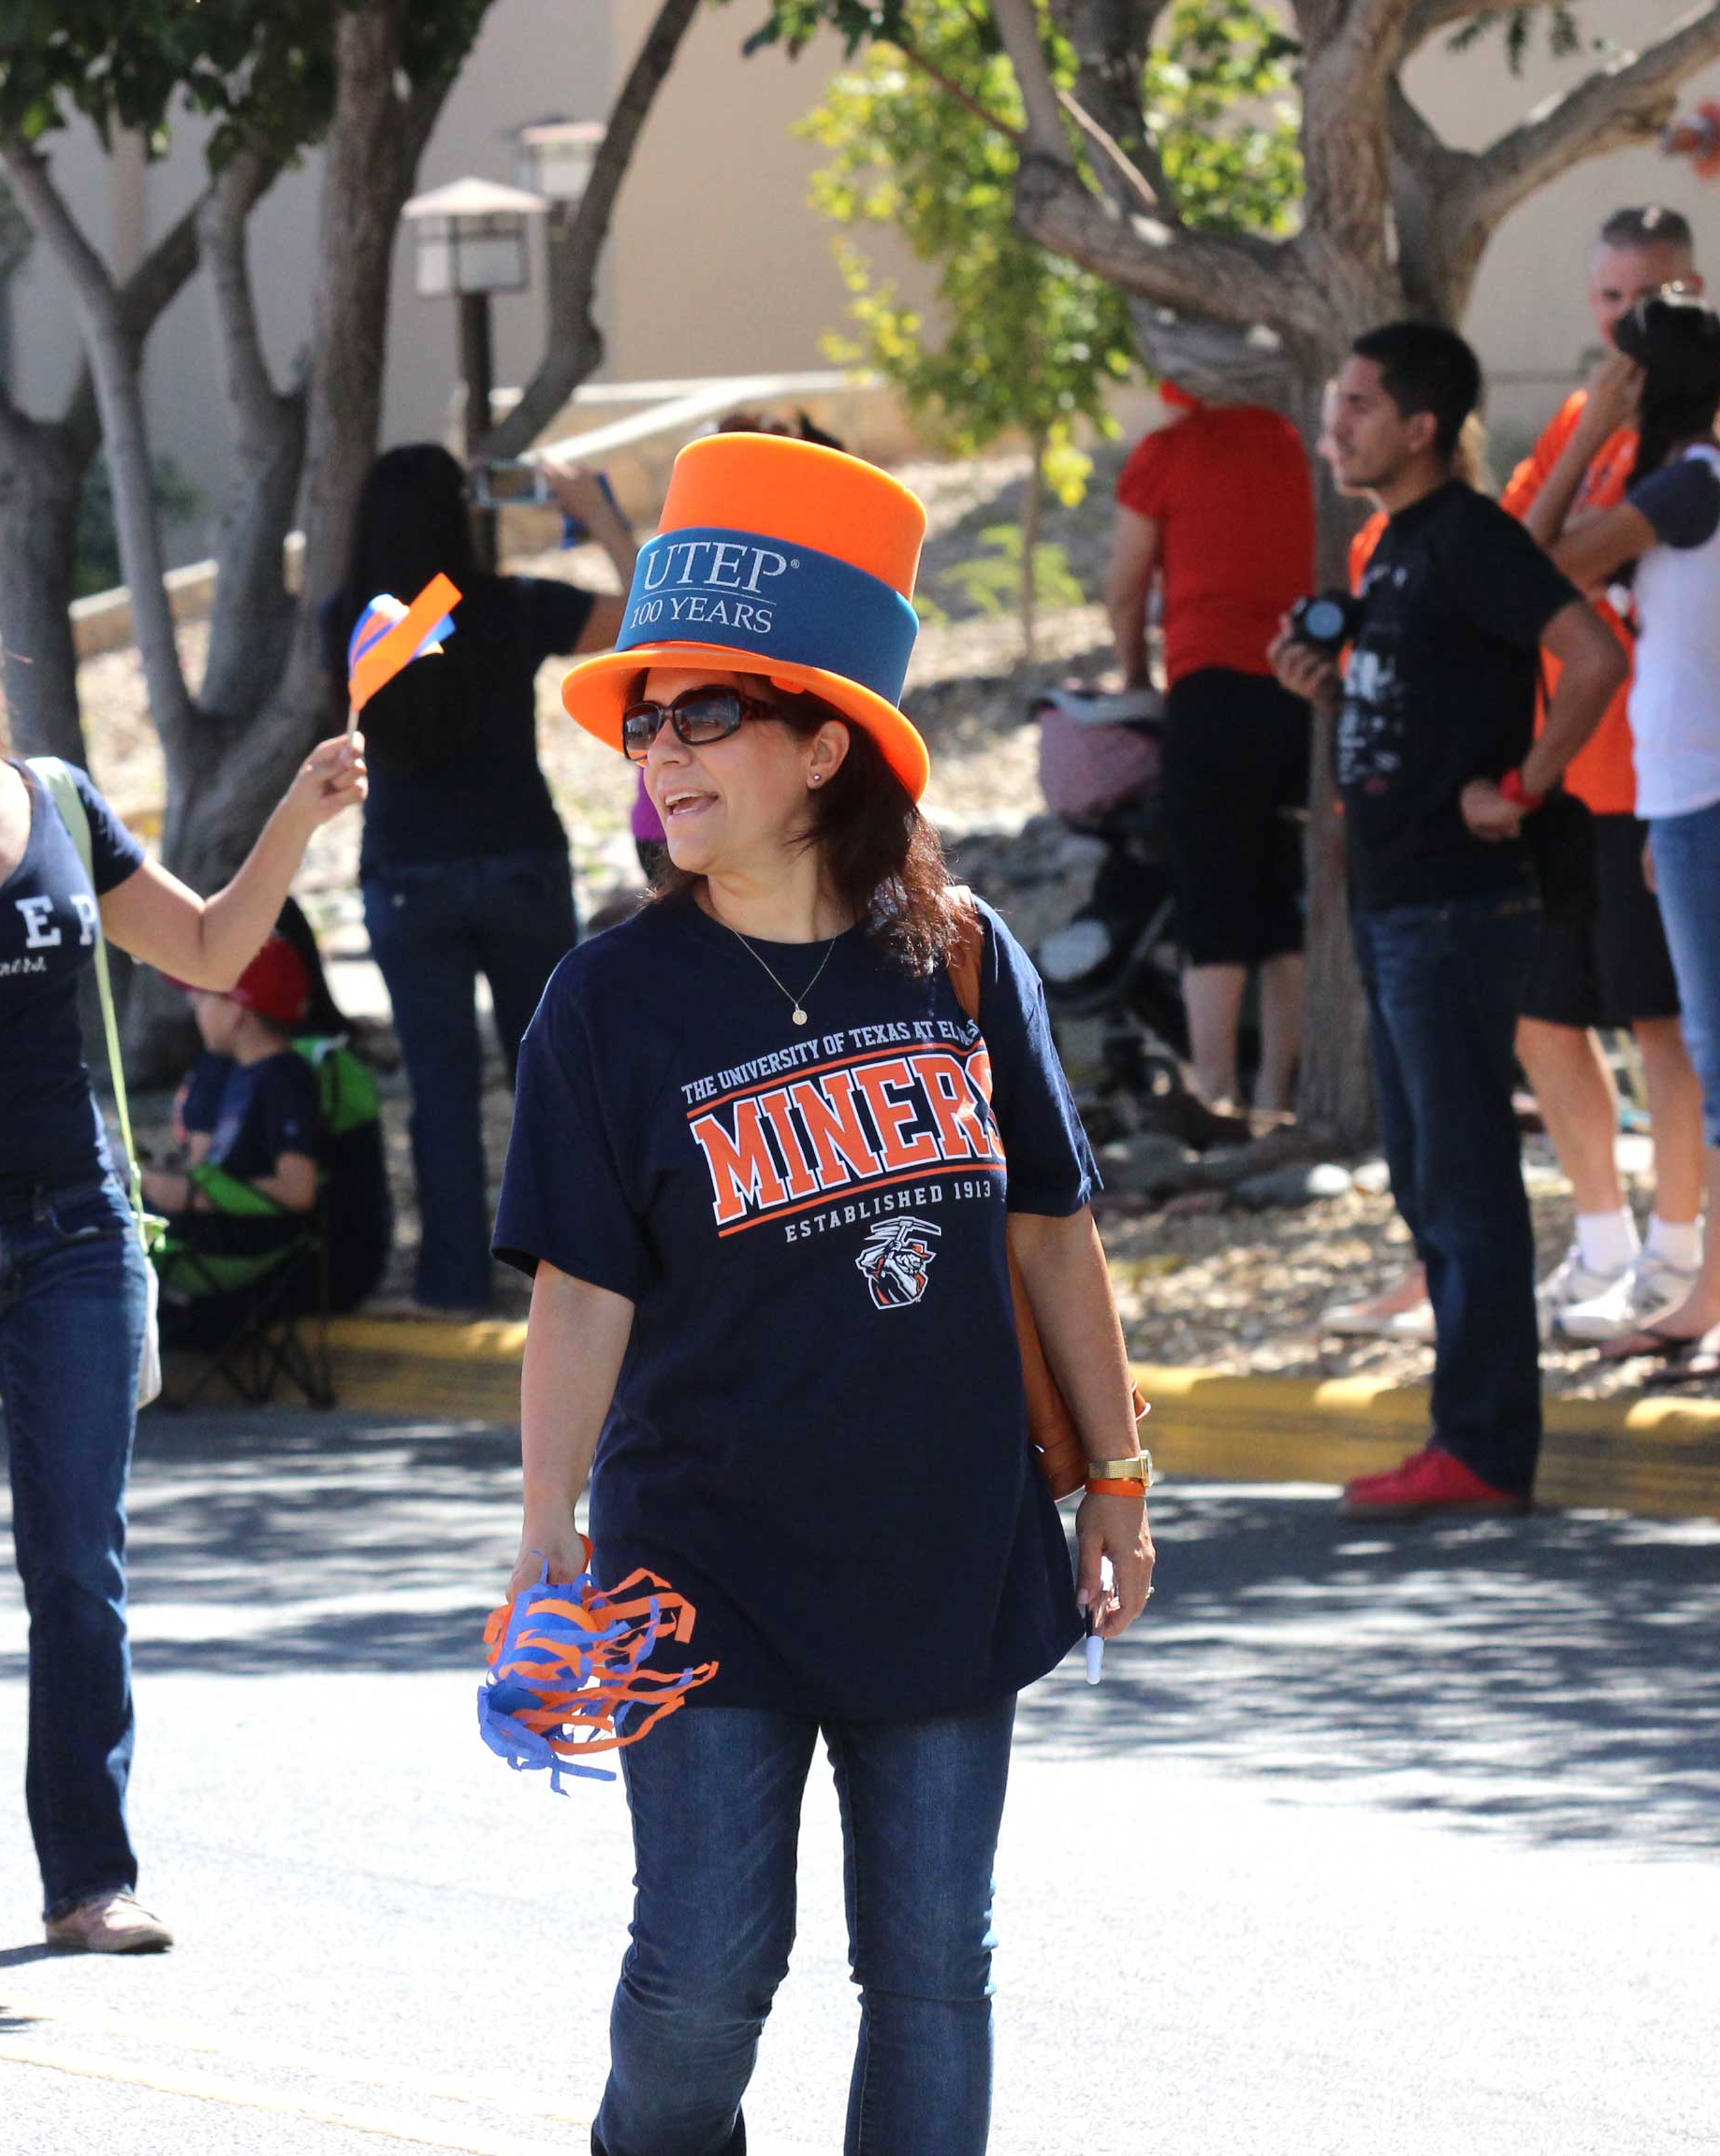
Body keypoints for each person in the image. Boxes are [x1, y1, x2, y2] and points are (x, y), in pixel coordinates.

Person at [502, 430, 1154, 2156]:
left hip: (949, 1538)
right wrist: (543, 1535)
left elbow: (1046, 1230)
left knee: (935, 1965)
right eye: (645, 715)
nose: (659, 744)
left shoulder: (955, 951)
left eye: (704, 709)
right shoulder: (607, 998)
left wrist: (1115, 1473)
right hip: (696, 1555)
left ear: (822, 741)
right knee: (706, 1970)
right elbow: (580, 1293)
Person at [0, 547, 365, 1950]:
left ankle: (88, 1877)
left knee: (76, 1560)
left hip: (72, 1223)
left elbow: (211, 948)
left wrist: (297, 812)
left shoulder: (60, 803)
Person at [1271, 322, 1626, 1519]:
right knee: (1429, 1174)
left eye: (1361, 407)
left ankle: (1482, 1447)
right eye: (1338, 405)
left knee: (1465, 1177)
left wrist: (1525, 787)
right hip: (1398, 905)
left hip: (1460, 908)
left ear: (1422, 427)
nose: (1338, 427)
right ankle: (1467, 1434)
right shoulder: (1395, 552)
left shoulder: (1472, 537)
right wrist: (1334, 682)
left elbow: (1590, 656)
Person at [324, 444, 637, 1311]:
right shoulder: (512, 604)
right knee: (555, 1081)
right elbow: (654, 614)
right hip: (520, 861)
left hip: (404, 874)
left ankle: (452, 1281)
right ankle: (576, 1280)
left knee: (440, 1087)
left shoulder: (343, 619)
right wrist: (597, 514)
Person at [1525, 290, 1720, 1378]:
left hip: (1702, 801)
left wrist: (1591, 432)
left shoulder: (1689, 487)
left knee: (1710, 1057)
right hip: (1683, 803)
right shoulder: (1685, 491)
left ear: (1639, 382)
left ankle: (1702, 1295)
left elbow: (1538, 567)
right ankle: (1702, 1291)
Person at [1108, 382, 1316, 1122]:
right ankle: (1279, 1095)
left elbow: (1126, 588)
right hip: (1307, 686)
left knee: (1213, 896)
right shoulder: (1307, 435)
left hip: (1211, 695)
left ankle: (1217, 1092)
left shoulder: (1168, 451)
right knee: (1291, 895)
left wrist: (1135, 678)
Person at [141, 933, 328, 1348]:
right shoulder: (236, 1071)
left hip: (248, 1243)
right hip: (220, 1228)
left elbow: (298, 1191)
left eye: (205, 998)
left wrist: (190, 1196)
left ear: (239, 1012)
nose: (194, 1006)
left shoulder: (286, 1079)